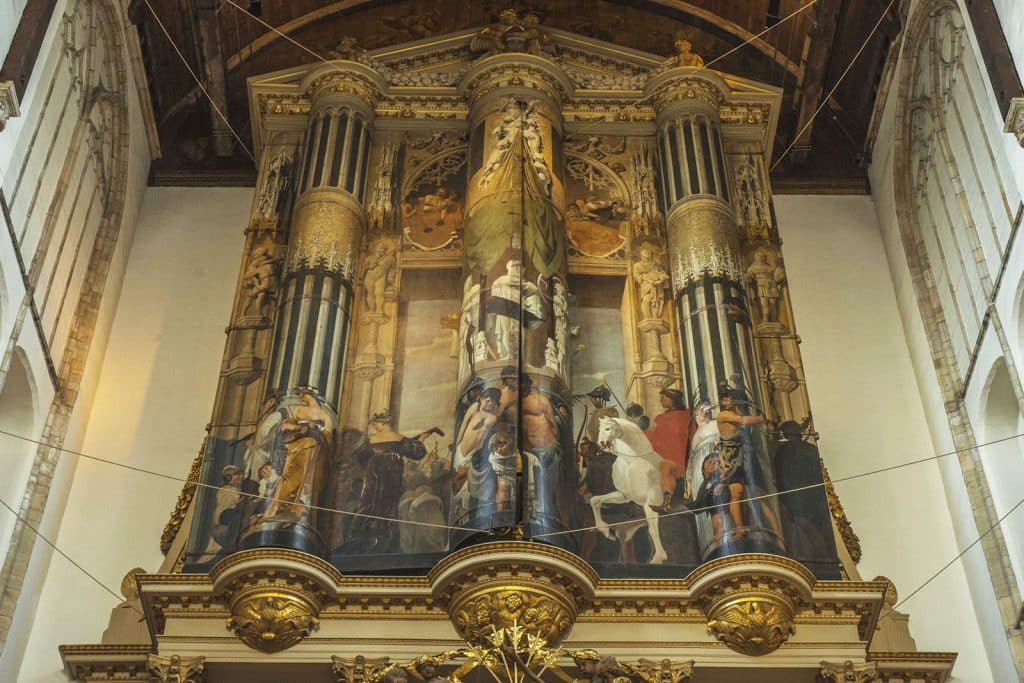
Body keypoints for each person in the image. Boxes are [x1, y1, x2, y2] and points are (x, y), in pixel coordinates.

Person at [347, 411, 442, 554]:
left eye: (375, 423)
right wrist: (419, 441)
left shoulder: (396, 439)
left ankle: (380, 536)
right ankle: (369, 535)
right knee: (371, 501)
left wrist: (421, 439)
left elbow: (416, 453)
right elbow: (361, 457)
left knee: (384, 502)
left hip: (388, 476)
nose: (373, 426)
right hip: (375, 476)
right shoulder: (395, 439)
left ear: (384, 423)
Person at [646, 388, 693, 510]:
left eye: (664, 397)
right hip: (666, 457)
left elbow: (692, 435)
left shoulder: (686, 416)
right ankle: (665, 502)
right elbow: (655, 438)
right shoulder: (660, 418)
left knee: (666, 467)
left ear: (673, 400)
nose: (660, 400)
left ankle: (667, 503)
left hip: (683, 458)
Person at [453, 388, 501, 491]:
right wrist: (456, 444)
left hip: (474, 453)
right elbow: (463, 425)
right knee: (454, 479)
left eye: (493, 402)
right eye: (488, 401)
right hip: (462, 449)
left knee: (464, 483)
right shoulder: (475, 408)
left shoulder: (494, 417)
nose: (490, 404)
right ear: (481, 399)